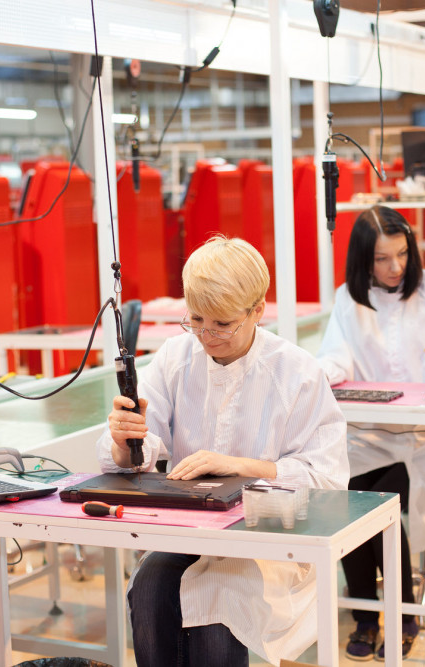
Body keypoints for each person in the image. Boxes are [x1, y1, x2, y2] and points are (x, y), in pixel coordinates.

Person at [98, 236, 348, 667]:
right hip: (189, 529)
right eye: (196, 319)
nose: (207, 335)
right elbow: (143, 445)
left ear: (257, 310)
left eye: (222, 324)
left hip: (268, 538)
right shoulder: (176, 357)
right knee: (150, 587)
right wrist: (125, 445)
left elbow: (326, 477)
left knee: (217, 613)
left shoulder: (297, 372)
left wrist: (241, 467)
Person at [316, 205, 425, 661]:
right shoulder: (349, 300)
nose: (395, 267)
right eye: (382, 259)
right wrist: (315, 373)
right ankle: (368, 615)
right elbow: (336, 357)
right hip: (370, 435)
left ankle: (400, 614)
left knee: (374, 504)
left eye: (402, 254)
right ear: (362, 260)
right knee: (344, 497)